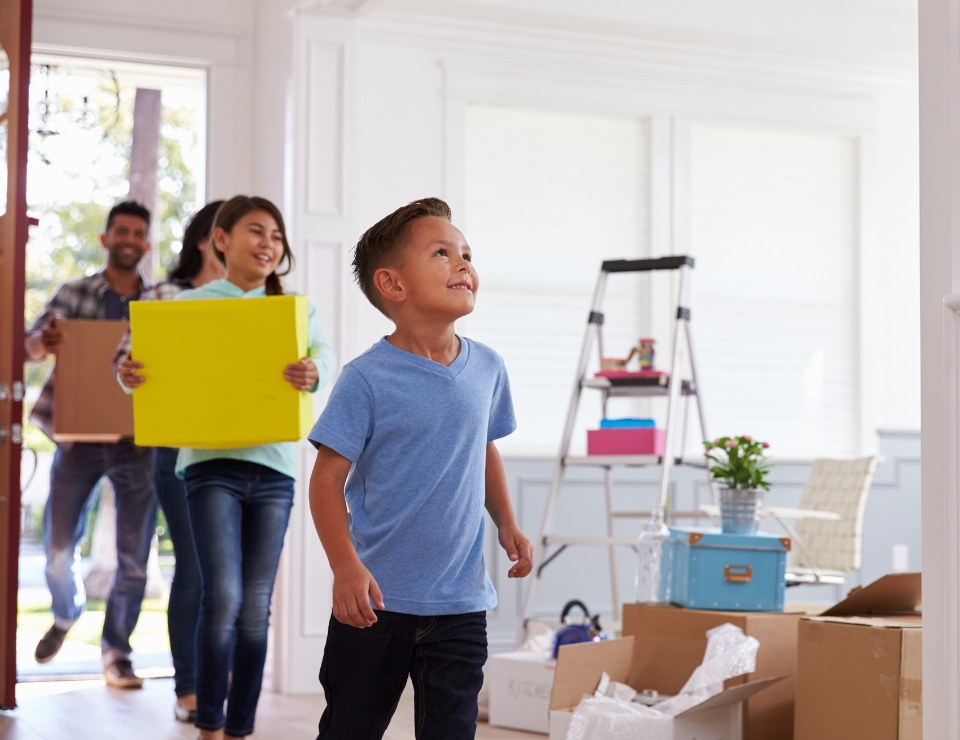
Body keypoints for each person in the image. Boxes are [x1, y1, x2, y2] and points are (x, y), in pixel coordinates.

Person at [307, 197, 533, 739]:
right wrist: (345, 568)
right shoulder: (366, 379)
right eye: (441, 252)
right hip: (374, 601)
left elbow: (484, 450)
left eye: (466, 253)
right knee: (349, 728)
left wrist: (507, 523)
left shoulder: (488, 368)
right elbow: (326, 481)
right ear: (393, 284)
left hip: (460, 601)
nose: (463, 264)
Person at [120, 195, 336, 739]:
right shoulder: (189, 304)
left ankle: (240, 728)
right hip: (209, 465)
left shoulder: (295, 309)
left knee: (255, 606)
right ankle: (209, 723)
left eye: (277, 237)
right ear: (221, 239)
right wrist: (129, 374)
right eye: (255, 231)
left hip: (276, 469)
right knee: (224, 598)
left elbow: (325, 359)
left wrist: (313, 369)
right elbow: (139, 371)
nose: (268, 244)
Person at [24, 200, 157, 688]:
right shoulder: (74, 293)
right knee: (58, 549)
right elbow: (27, 345)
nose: (128, 239)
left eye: (137, 232)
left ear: (145, 243)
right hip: (77, 438)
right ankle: (65, 613)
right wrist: (42, 342)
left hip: (136, 440)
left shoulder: (159, 301)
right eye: (119, 231)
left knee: (134, 556)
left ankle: (117, 651)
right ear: (106, 239)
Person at [115, 200, 226, 723]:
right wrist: (130, 371)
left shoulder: (255, 300)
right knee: (196, 569)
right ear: (208, 239)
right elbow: (124, 361)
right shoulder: (163, 293)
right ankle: (190, 688)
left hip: (239, 449)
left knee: (230, 575)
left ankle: (223, 683)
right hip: (175, 449)